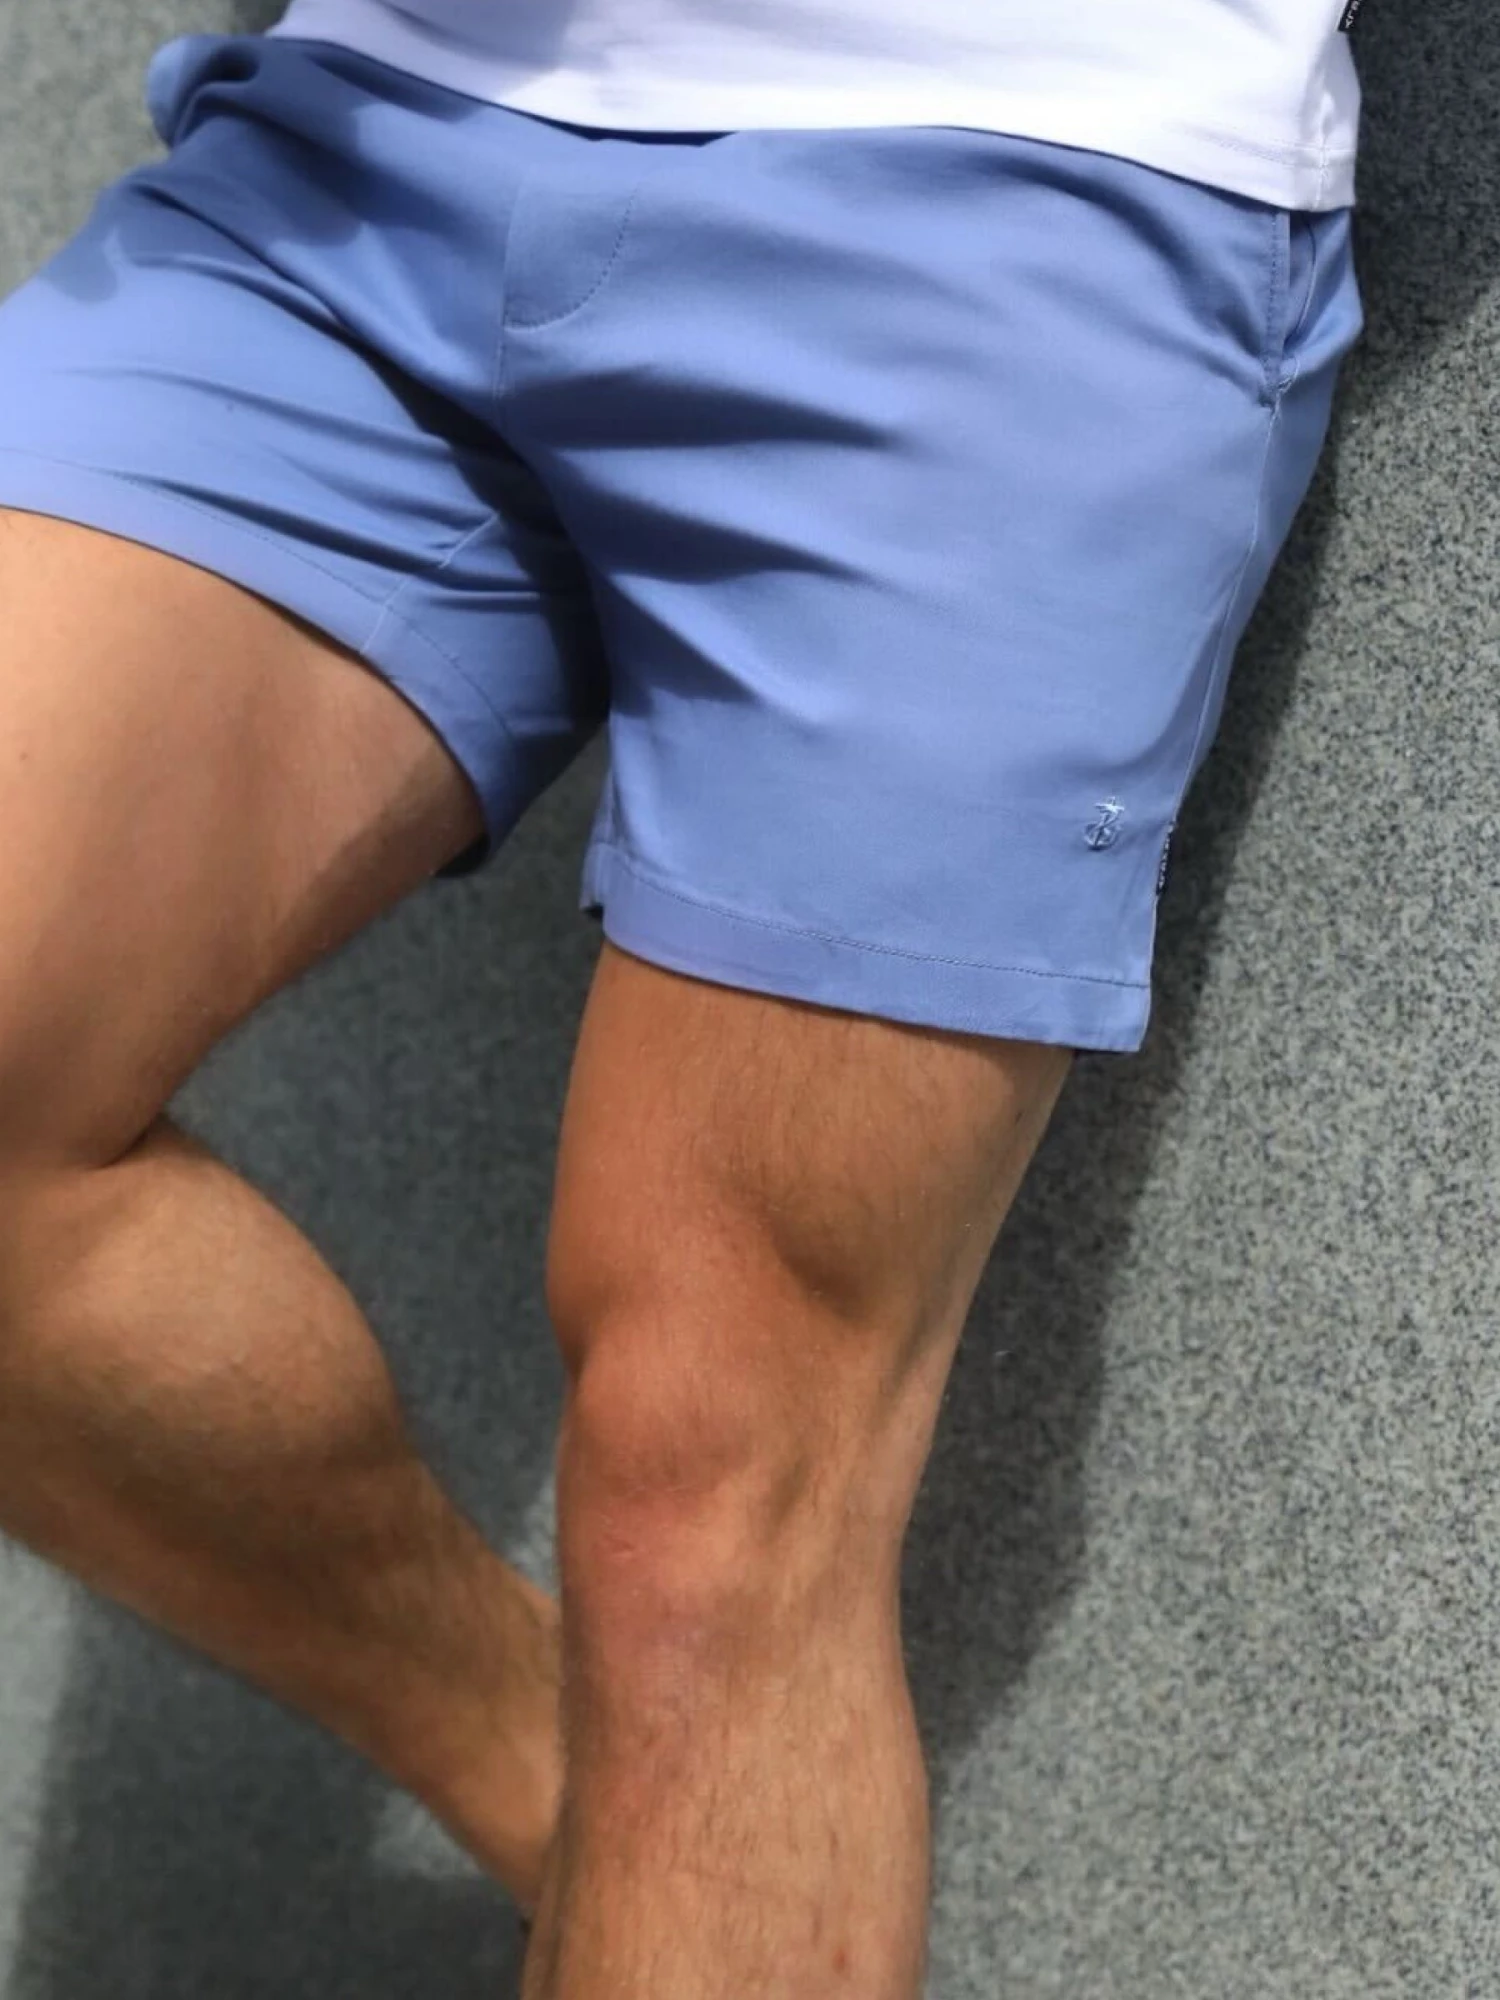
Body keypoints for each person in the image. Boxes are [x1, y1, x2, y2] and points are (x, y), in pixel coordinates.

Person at [0, 2, 1365, 1993]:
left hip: (1022, 164)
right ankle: (574, 1787)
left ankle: (672, 1819)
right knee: (666, 1700)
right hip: (364, 143)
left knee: (713, 1511)